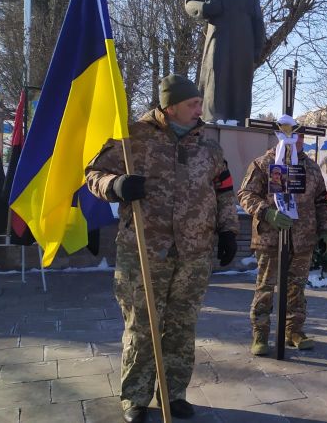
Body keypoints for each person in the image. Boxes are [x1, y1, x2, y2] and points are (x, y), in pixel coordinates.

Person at [86, 74, 239, 423]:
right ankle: (136, 398)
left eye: (199, 102)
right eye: (192, 104)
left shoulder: (209, 146)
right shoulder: (133, 139)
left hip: (195, 253)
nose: (199, 108)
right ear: (170, 108)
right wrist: (117, 184)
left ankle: (174, 394)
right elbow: (92, 173)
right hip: (144, 252)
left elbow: (224, 191)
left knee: (182, 326)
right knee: (142, 326)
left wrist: (228, 230)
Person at [237, 124, 327, 356]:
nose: (297, 141)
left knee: (296, 288)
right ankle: (260, 333)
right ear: (281, 137)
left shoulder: (311, 167)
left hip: (302, 239)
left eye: (300, 137)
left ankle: (294, 330)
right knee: (266, 287)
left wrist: (324, 231)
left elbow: (320, 202)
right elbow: (245, 194)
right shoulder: (263, 163)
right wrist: (266, 212)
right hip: (271, 237)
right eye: (292, 136)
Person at [185, 0, 265, 125]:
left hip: (244, 46)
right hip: (218, 43)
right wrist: (205, 7)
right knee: (215, 83)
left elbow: (257, 19)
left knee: (240, 90)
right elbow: (190, 3)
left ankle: (239, 125)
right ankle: (212, 122)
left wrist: (257, 48)